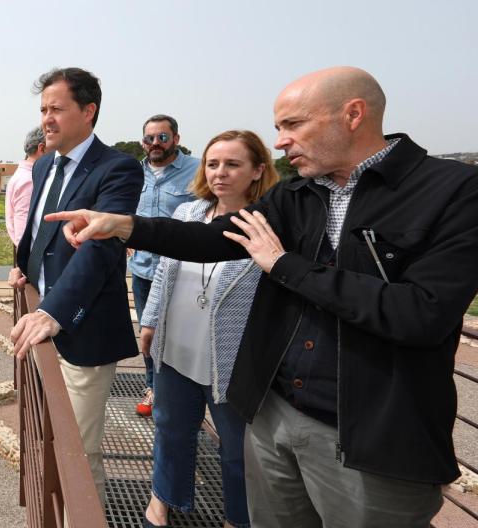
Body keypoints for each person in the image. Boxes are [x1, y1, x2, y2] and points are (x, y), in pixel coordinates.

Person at [45, 66, 478, 527]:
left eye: (292, 125)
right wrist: (123, 225)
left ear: (353, 115)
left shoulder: (451, 191)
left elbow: (421, 313)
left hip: (371, 442)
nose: (280, 142)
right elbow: (212, 239)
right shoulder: (298, 193)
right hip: (275, 419)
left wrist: (284, 264)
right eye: (277, 128)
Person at [9, 67, 142, 504]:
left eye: (57, 109)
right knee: (49, 438)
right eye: (43, 109)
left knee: (79, 456)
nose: (47, 118)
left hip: (80, 329)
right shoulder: (45, 162)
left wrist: (53, 312)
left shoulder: (118, 169)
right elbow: (36, 229)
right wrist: (21, 268)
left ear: (89, 111)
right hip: (44, 318)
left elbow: (101, 252)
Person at [140, 130, 278, 528]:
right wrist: (150, 320)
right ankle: (162, 501)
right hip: (176, 343)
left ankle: (237, 518)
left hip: (231, 355)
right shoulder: (188, 213)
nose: (220, 173)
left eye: (233, 164)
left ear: (257, 170)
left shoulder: (266, 225)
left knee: (238, 447)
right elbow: (165, 270)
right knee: (170, 429)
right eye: (212, 163)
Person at [128, 114, 199, 416]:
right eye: (149, 138)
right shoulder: (134, 172)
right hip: (144, 271)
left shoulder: (197, 170)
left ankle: (184, 394)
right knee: (149, 334)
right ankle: (153, 388)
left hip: (184, 271)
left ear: (176, 139)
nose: (155, 144)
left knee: (184, 334)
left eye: (162, 137)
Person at [4, 127, 47, 247]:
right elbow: (23, 225)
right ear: (42, 148)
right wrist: (26, 259)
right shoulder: (29, 180)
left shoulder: (24, 175)